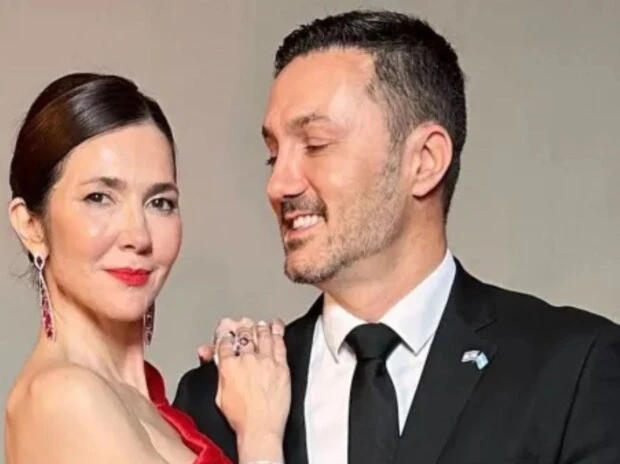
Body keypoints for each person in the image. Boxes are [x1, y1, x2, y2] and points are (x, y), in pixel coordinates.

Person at [173, 9, 620, 464]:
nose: (278, 184)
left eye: (316, 145)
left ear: (425, 161)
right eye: (273, 155)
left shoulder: (572, 370)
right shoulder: (216, 398)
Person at [4, 72, 290, 464]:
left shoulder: (139, 395)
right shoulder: (63, 398)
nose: (138, 236)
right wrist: (260, 434)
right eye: (99, 197)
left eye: (160, 203)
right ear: (31, 226)